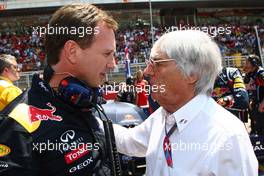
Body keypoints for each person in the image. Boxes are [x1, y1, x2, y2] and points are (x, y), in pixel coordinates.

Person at [113, 30, 258, 176]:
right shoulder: (162, 116)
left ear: (191, 74)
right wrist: (93, 118)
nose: (146, 72)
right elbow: (128, 142)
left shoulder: (228, 136)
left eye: (156, 63)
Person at [0, 4, 117, 176]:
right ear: (72, 51)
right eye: (107, 54)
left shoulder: (82, 100)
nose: (113, 64)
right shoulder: (19, 129)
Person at [243, 54, 264, 135]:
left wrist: (262, 104)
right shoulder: (250, 74)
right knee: (257, 129)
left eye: (247, 63)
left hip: (261, 106)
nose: (245, 64)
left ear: (254, 64)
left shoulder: (261, 74)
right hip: (255, 105)